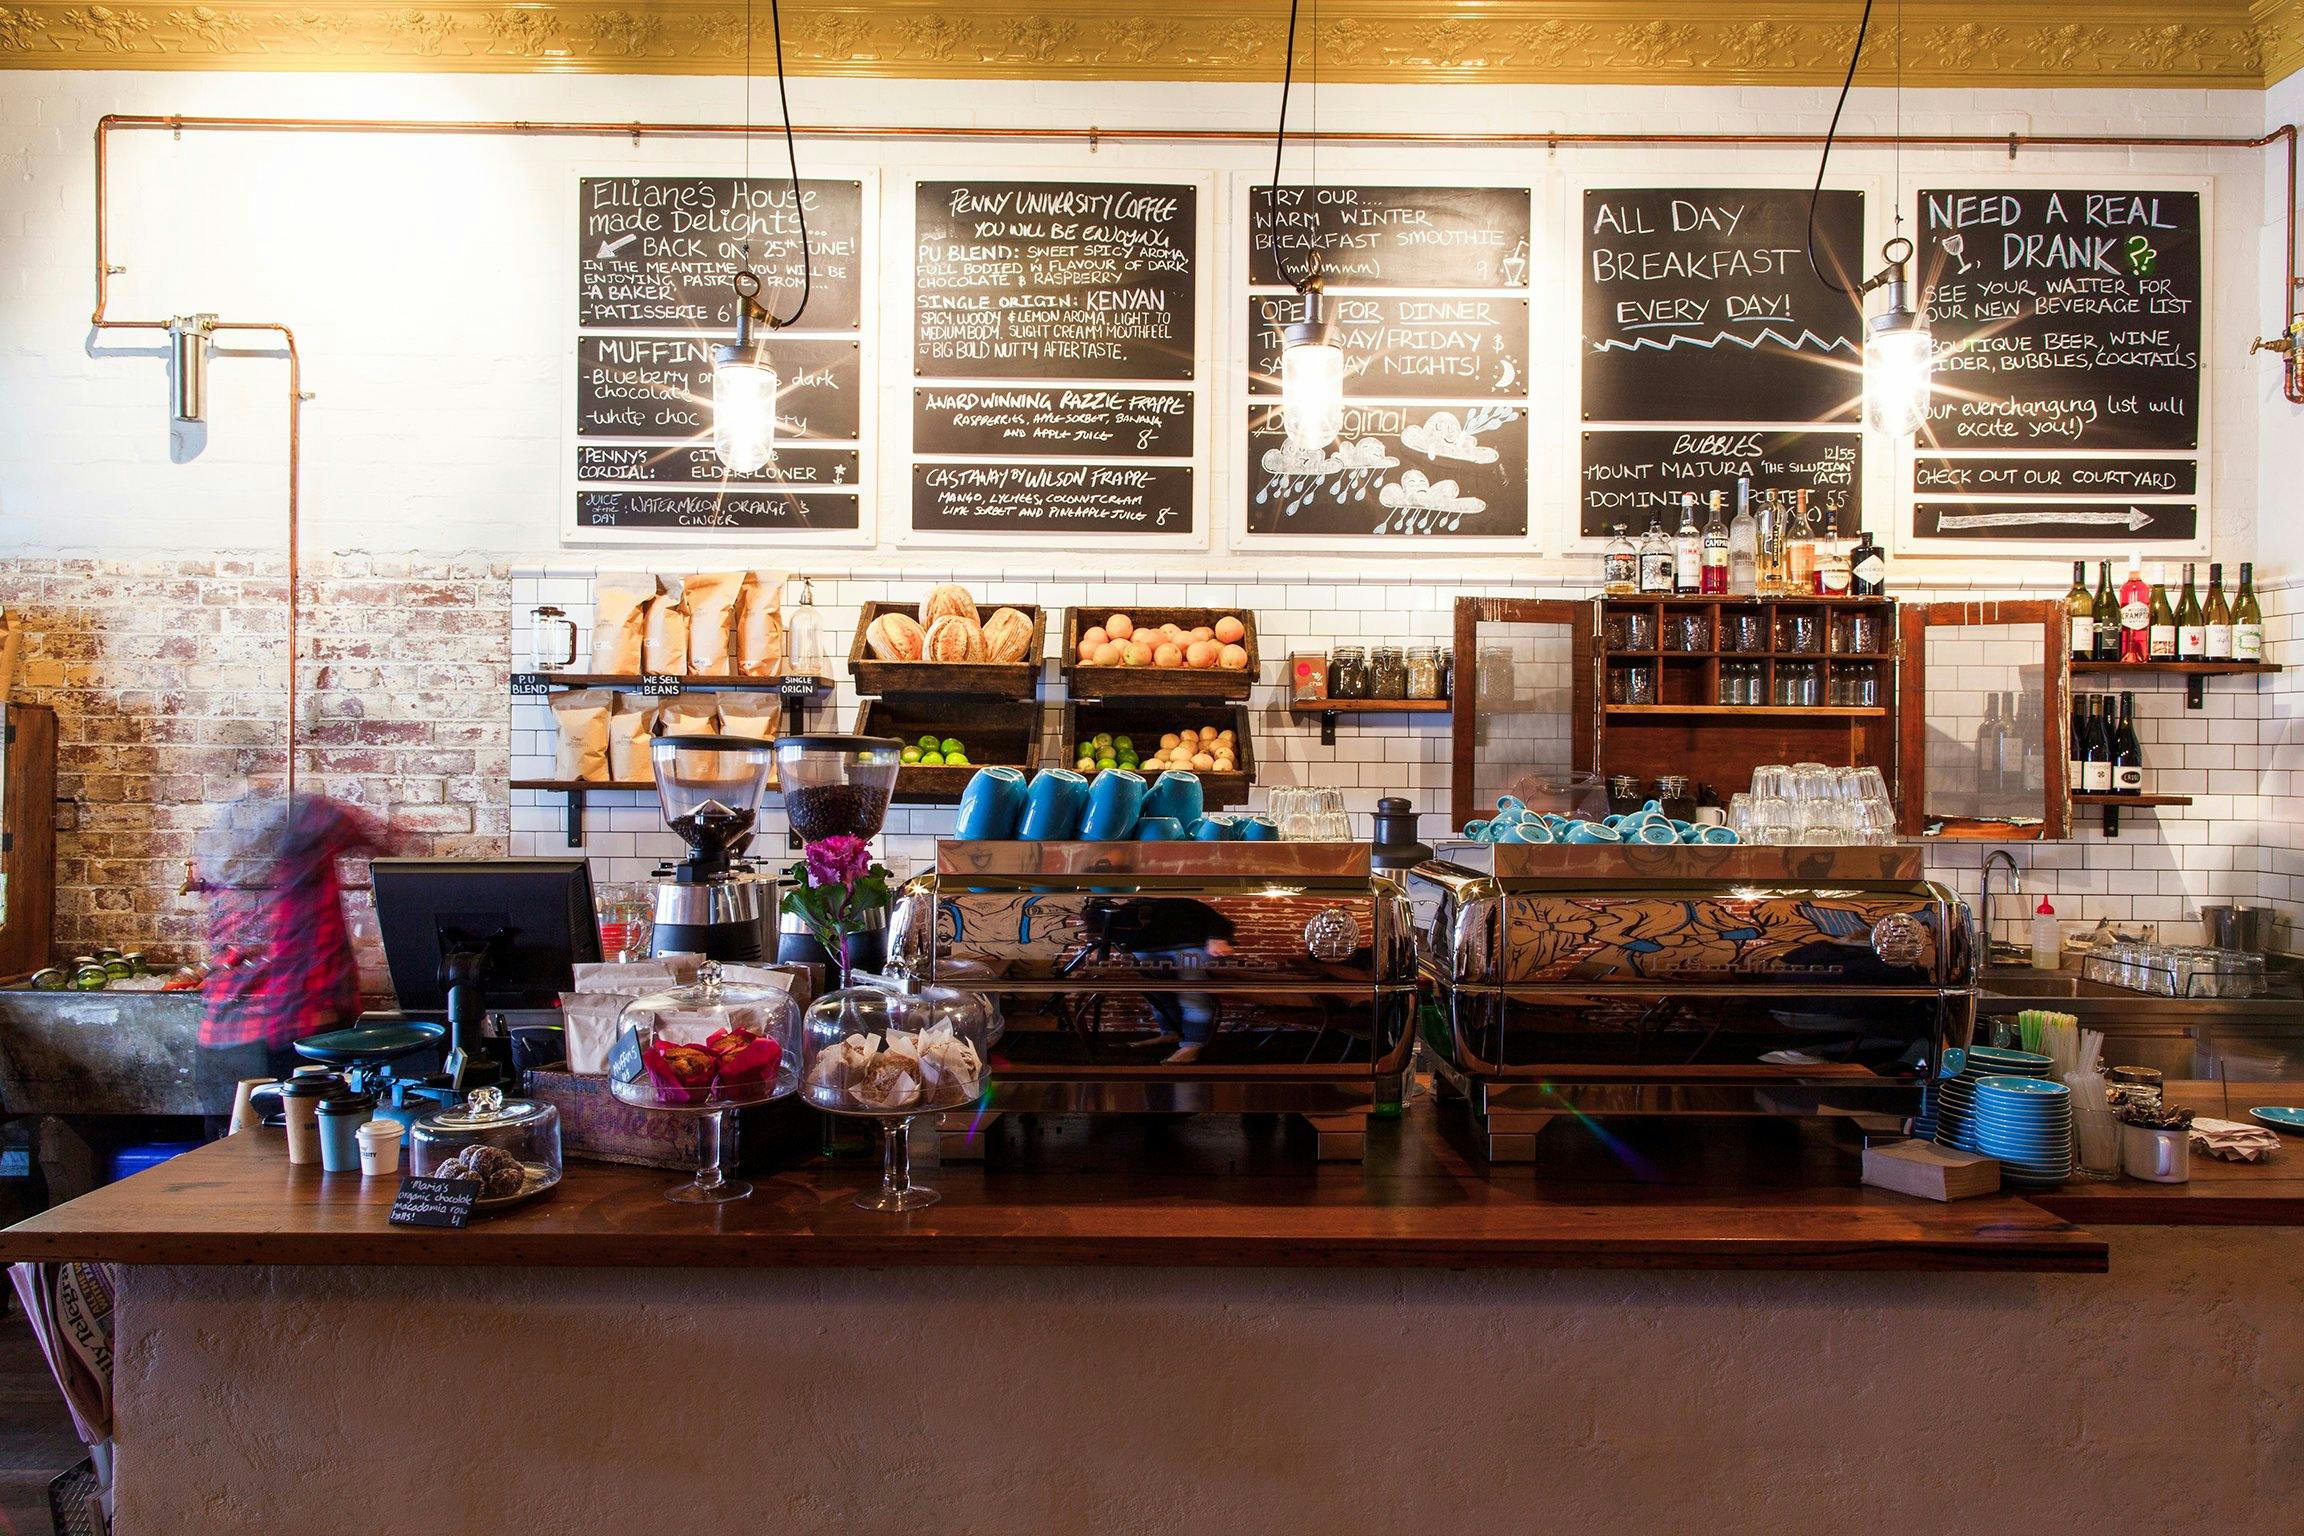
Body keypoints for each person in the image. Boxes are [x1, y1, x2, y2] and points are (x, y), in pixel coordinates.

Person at [188, 777, 397, 1134]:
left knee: (227, 1149)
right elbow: (373, 837)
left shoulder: (223, 852)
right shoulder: (310, 822)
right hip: (297, 1032)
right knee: (304, 1147)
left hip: (221, 1038)